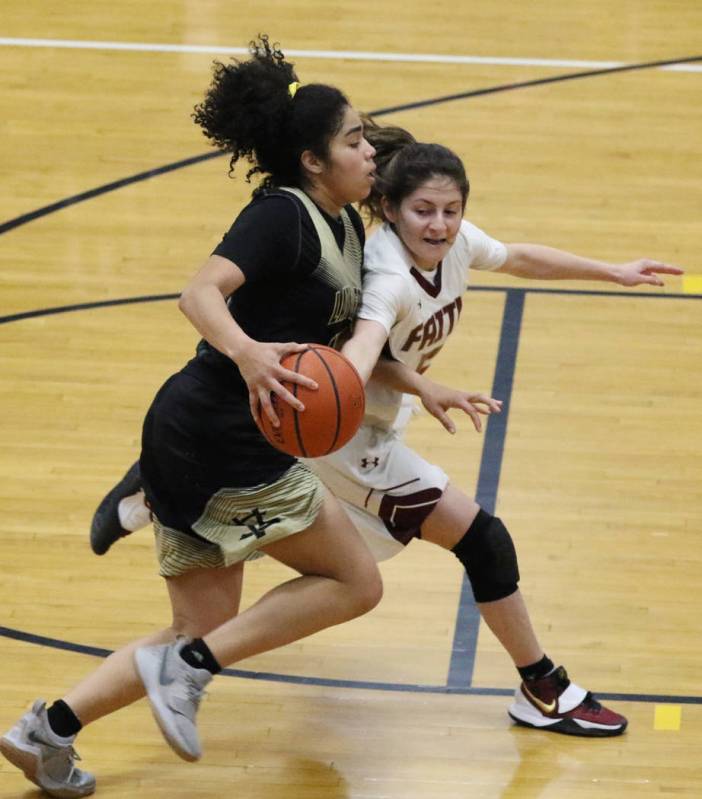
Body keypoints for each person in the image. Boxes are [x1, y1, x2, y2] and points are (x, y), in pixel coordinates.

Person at [86, 117, 683, 746]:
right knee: (481, 539)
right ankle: (543, 687)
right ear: (392, 211)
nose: (440, 224)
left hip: (376, 426)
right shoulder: (388, 275)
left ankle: (161, 495)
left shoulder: (454, 243)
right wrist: (399, 383)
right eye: (424, 211)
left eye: (451, 211)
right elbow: (357, 353)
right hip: (345, 439)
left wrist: (612, 270)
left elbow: (520, 256)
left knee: (332, 555)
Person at [0, 35, 407, 798]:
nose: (369, 150)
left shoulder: (348, 223)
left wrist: (419, 384)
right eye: (354, 139)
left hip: (191, 434)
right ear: (313, 160)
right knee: (355, 582)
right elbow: (198, 294)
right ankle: (188, 669)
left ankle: (45, 730)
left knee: (196, 630)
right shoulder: (283, 216)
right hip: (226, 439)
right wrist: (251, 354)